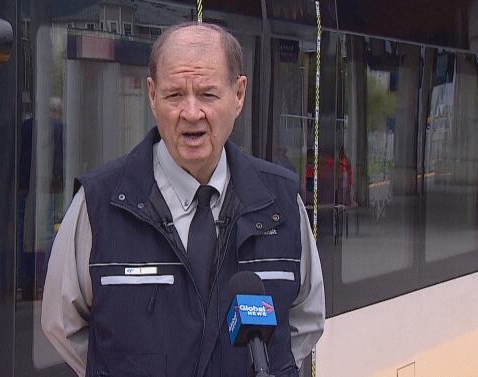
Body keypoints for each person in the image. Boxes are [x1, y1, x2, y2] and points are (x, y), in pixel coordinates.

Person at [41, 21, 325, 377]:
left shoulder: (281, 202)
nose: (191, 114)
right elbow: (61, 323)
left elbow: (306, 318)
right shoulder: (99, 203)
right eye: (175, 95)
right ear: (152, 95)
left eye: (208, 94)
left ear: (238, 96)